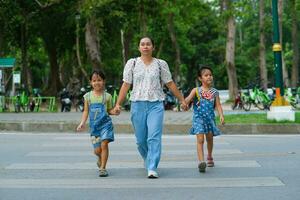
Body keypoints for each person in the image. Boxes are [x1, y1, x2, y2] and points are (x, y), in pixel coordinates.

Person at [113, 36, 188, 178]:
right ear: (139, 47)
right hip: (137, 104)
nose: (145, 46)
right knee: (141, 140)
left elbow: (170, 83)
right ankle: (147, 158)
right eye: (142, 44)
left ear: (153, 47)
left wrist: (182, 100)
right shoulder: (132, 63)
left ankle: (152, 166)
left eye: (148, 44)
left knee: (153, 137)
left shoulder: (160, 64)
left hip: (156, 104)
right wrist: (118, 104)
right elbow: (126, 84)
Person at [77, 69, 117, 177]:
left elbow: (109, 110)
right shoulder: (87, 97)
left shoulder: (107, 96)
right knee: (97, 150)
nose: (97, 82)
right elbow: (86, 111)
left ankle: (103, 168)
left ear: (103, 81)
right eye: (94, 80)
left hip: (106, 125)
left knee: (104, 144)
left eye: (99, 80)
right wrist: (82, 122)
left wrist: (115, 111)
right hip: (94, 127)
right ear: (90, 82)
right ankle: (100, 157)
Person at [185, 66, 225, 173]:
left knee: (209, 139)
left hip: (210, 119)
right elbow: (187, 100)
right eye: (206, 75)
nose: (209, 77)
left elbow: (218, 105)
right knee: (200, 140)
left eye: (210, 75)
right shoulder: (196, 90)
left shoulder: (214, 92)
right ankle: (201, 162)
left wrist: (221, 115)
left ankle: (210, 156)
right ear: (200, 78)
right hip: (198, 119)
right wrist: (184, 103)